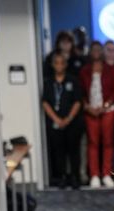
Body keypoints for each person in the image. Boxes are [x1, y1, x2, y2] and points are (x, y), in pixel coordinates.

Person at [79, 41, 114, 188]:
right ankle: (94, 175)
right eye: (93, 49)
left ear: (102, 52)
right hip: (90, 110)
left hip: (108, 110)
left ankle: (106, 174)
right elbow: (81, 92)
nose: (96, 52)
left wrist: (106, 105)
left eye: (99, 49)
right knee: (93, 142)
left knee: (108, 142)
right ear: (90, 52)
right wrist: (87, 106)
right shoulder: (84, 70)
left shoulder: (111, 70)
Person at [42, 52, 83, 189]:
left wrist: (68, 119)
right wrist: (57, 119)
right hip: (55, 123)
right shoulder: (48, 82)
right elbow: (45, 103)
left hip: (72, 123)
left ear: (66, 64)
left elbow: (77, 101)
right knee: (58, 151)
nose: (59, 65)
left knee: (73, 151)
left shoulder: (73, 80)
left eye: (62, 62)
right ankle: (61, 177)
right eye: (56, 62)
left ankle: (75, 177)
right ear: (53, 65)